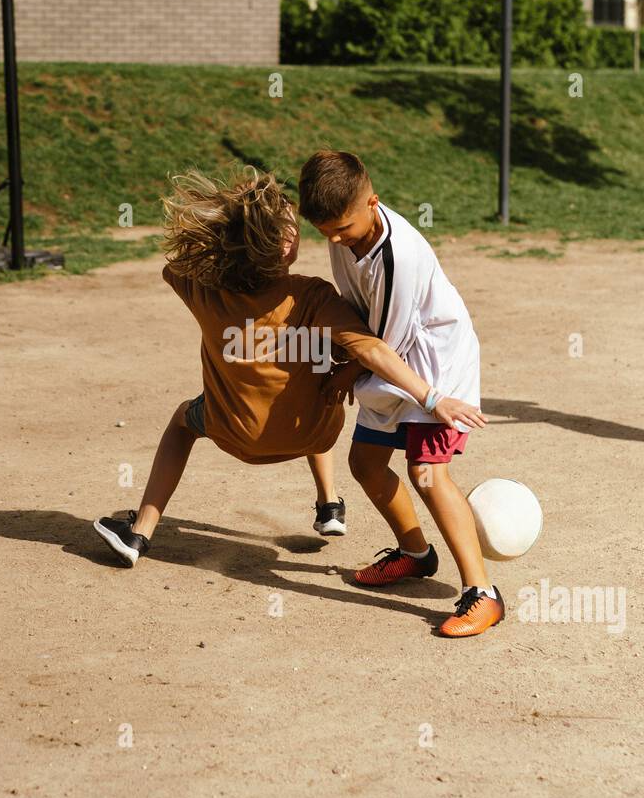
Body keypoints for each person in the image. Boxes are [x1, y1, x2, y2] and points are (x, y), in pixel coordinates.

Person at [94, 167, 485, 607]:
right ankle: (334, 507)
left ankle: (141, 531)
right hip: (313, 431)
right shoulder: (313, 296)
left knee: (184, 420)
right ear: (287, 245)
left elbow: (173, 267)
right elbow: (374, 349)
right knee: (316, 378)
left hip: (234, 435)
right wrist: (427, 395)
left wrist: (226, 238)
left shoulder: (202, 289)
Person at [298, 148, 505, 638]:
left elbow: (384, 339)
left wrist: (350, 372)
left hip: (434, 364)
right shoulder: (344, 232)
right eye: (324, 231)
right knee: (365, 463)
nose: (333, 239)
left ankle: (483, 594)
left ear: (373, 203)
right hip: (390, 358)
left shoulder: (397, 252)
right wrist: (344, 361)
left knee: (427, 473)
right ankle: (415, 554)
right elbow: (355, 309)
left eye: (342, 228)